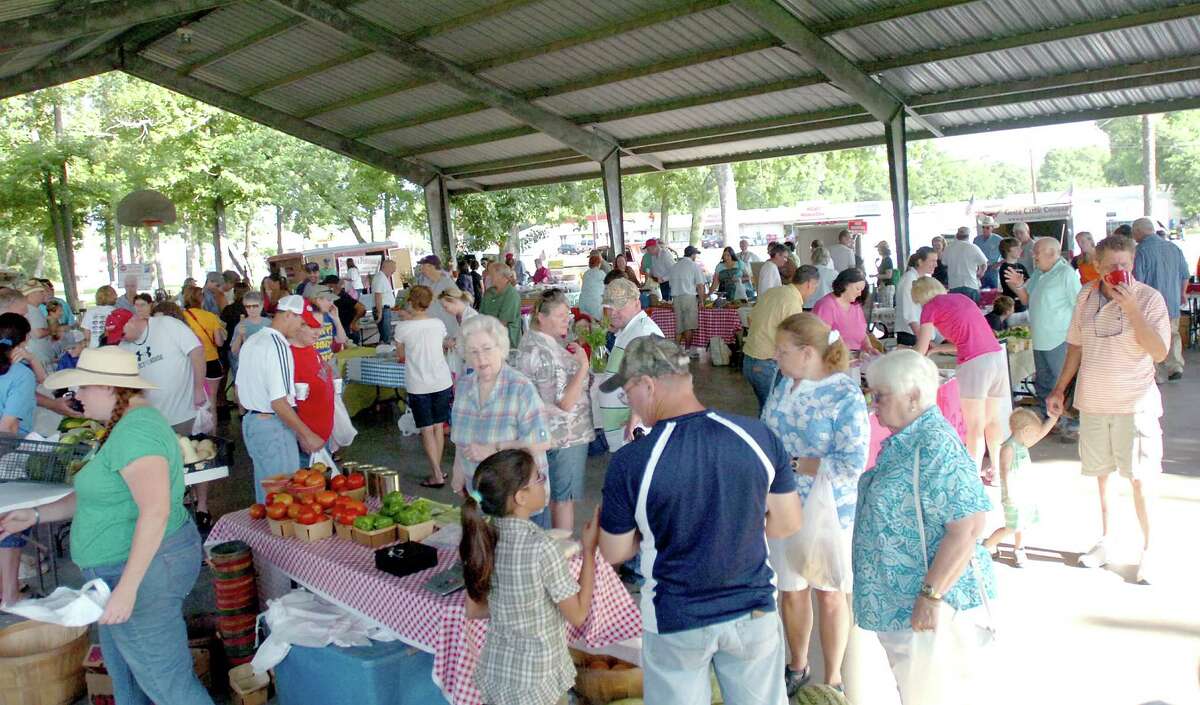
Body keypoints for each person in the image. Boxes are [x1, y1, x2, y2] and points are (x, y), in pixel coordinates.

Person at [0, 347, 215, 705]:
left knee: (169, 686)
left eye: (83, 387)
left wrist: (128, 589)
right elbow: (99, 494)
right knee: (127, 678)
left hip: (141, 573)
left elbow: (155, 511)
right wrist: (35, 514)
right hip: (118, 574)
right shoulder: (123, 426)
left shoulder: (137, 432)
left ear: (110, 388)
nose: (78, 395)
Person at [597, 336, 803, 705]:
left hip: (675, 618)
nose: (630, 404)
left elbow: (614, 551)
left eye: (629, 393)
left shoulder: (632, 461)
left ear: (648, 384)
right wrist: (733, 526)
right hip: (752, 609)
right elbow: (786, 523)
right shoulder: (755, 436)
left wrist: (652, 533)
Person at [856, 349, 997, 704]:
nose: (874, 405)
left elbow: (968, 527)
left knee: (931, 692)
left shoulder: (934, 445)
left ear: (913, 396)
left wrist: (931, 596)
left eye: (881, 396)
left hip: (924, 606)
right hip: (901, 603)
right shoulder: (909, 440)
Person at [1047, 235, 1169, 584]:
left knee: (1141, 479)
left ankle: (1150, 549)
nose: (1119, 271)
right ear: (1097, 267)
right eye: (1112, 265)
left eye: (1125, 264)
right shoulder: (1085, 296)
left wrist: (1132, 310)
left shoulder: (1149, 299)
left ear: (1133, 263)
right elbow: (1075, 347)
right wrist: (1060, 389)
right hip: (1094, 403)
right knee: (1102, 477)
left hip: (1135, 404)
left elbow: (1159, 352)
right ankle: (1107, 540)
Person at [761, 313, 869, 694]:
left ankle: (833, 677)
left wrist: (792, 463)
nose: (775, 357)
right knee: (791, 589)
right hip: (781, 504)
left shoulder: (844, 395)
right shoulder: (783, 385)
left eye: (782, 350)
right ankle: (798, 664)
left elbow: (852, 463)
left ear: (807, 353)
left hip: (828, 510)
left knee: (829, 591)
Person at [461, 450, 599, 705]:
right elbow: (578, 615)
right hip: (537, 679)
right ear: (520, 497)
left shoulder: (481, 539)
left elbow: (474, 610)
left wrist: (515, 605)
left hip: (497, 673)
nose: (544, 482)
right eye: (539, 478)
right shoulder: (542, 548)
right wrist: (589, 551)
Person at [450, 315, 551, 504]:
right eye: (473, 351)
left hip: (519, 499)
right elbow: (460, 439)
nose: (481, 358)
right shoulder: (463, 386)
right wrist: (458, 472)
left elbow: (542, 441)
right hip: (480, 494)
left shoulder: (520, 388)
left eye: (487, 349)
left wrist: (495, 449)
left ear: (501, 348)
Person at [912, 277, 1008, 476]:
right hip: (996, 356)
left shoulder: (930, 307)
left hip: (974, 364)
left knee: (975, 426)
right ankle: (997, 471)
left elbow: (921, 348)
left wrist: (907, 362)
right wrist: (938, 349)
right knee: (992, 420)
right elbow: (968, 339)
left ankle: (972, 476)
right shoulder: (962, 299)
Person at [235, 295, 325, 503]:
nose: (301, 328)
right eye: (301, 322)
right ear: (289, 315)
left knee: (268, 495)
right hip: (273, 427)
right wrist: (306, 434)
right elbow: (279, 402)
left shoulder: (253, 340)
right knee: (284, 501)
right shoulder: (278, 345)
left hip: (252, 423)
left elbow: (239, 390)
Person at [517, 290, 593, 531]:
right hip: (565, 435)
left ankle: (550, 544)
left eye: (567, 315)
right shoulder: (546, 352)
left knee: (551, 497)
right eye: (560, 315)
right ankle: (562, 549)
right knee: (563, 500)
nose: (567, 320)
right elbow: (565, 402)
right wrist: (583, 366)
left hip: (544, 432)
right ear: (541, 317)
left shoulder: (531, 341)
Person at [1004, 237, 1083, 432]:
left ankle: (1069, 422)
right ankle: (1049, 420)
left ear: (1052, 253)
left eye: (1037, 252)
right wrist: (1018, 285)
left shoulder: (1066, 274)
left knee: (1061, 383)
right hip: (1040, 339)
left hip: (1060, 339)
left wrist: (1078, 338)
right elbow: (1027, 299)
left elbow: (1080, 306)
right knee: (1044, 383)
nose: (1033, 256)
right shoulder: (1039, 273)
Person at [394, 286, 454, 488]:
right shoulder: (438, 324)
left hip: (418, 384)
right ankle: (438, 470)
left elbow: (400, 356)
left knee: (426, 429)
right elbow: (441, 346)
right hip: (442, 380)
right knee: (438, 427)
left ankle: (436, 473)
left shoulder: (402, 328)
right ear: (429, 303)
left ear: (410, 302)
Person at [983, 408, 1058, 567]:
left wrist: (1053, 419)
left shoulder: (1022, 444)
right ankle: (987, 545)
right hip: (1013, 496)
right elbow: (1005, 472)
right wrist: (1009, 493)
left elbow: (1040, 434)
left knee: (1022, 524)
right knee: (1011, 527)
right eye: (1032, 433)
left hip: (1024, 493)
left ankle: (1019, 548)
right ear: (1025, 431)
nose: (1034, 437)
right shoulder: (1009, 448)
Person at [595, 279, 664, 451]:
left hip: (634, 433)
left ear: (637, 303)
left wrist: (637, 415)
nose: (614, 312)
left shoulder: (643, 332)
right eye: (610, 307)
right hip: (624, 429)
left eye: (620, 306)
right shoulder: (631, 329)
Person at [0, 314, 40, 607]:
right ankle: (10, 594)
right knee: (10, 523)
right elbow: (10, 425)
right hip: (8, 453)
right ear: (24, 341)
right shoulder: (20, 374)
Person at [742, 266, 819, 412]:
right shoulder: (792, 302)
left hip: (749, 360)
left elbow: (750, 319)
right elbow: (793, 338)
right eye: (815, 287)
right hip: (765, 363)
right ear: (809, 284)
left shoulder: (773, 292)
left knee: (766, 408)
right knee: (773, 412)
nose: (814, 291)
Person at [1131, 216, 1188, 381]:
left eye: (1134, 233)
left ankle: (1156, 374)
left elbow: (1138, 280)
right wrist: (1182, 293)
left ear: (1138, 232)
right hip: (1172, 301)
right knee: (1173, 334)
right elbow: (1185, 275)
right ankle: (1175, 366)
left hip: (1150, 305)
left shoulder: (1140, 251)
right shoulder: (1174, 248)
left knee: (1152, 337)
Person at [288, 306, 335, 465]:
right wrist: (302, 435)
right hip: (307, 440)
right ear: (298, 325)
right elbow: (284, 403)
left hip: (321, 436)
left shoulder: (310, 348)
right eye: (312, 326)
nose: (318, 332)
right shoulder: (288, 356)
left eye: (320, 326)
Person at [181, 286, 227, 409]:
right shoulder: (211, 316)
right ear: (201, 298)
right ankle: (213, 422)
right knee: (212, 400)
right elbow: (219, 343)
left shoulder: (182, 318)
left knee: (193, 401)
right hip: (212, 361)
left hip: (191, 362)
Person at [811, 268, 873, 357]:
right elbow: (820, 341)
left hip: (855, 358)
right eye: (858, 289)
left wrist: (869, 348)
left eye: (861, 290)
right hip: (834, 359)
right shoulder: (826, 305)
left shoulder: (855, 305)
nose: (860, 294)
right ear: (845, 284)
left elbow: (862, 334)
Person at [667, 245, 707, 351]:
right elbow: (700, 286)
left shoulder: (675, 266)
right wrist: (702, 301)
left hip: (676, 299)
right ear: (693, 255)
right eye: (695, 255)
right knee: (688, 326)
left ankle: (676, 352)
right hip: (689, 298)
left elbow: (670, 284)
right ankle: (687, 350)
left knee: (679, 328)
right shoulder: (694, 266)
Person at [896, 248, 938, 349]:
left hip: (918, 333)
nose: (936, 265)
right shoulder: (910, 280)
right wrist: (923, 340)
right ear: (920, 262)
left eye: (936, 261)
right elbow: (910, 314)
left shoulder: (918, 279)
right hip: (911, 334)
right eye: (932, 261)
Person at [416, 255, 461, 341]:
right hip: (430, 331)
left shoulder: (447, 283)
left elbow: (460, 302)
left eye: (423, 265)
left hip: (447, 330)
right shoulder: (423, 282)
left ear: (431, 266)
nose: (421, 269)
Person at [480, 263, 523, 349]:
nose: (489, 277)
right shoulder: (489, 293)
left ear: (503, 277)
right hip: (489, 340)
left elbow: (502, 323)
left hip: (507, 343)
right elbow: (481, 316)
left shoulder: (512, 295)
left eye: (492, 274)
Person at [942, 227, 988, 303]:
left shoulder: (948, 248)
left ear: (957, 235)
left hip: (954, 285)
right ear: (968, 236)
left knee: (957, 309)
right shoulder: (973, 247)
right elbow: (984, 263)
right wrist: (980, 273)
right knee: (972, 309)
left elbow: (944, 263)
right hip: (970, 284)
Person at [230, 291, 268, 370]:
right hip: (246, 366)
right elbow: (234, 351)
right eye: (248, 306)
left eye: (255, 306)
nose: (251, 309)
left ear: (262, 305)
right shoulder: (240, 325)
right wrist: (240, 335)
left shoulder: (269, 324)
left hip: (265, 365)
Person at [21, 281, 54, 366]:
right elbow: (38, 333)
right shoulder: (31, 310)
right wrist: (52, 330)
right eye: (41, 292)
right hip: (39, 358)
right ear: (32, 294)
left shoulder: (31, 309)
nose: (44, 294)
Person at [997, 237, 1030, 315]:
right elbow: (1015, 288)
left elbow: (1030, 283)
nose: (1020, 250)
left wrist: (1022, 285)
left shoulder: (1021, 266)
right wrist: (1022, 286)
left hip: (1024, 307)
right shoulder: (1005, 268)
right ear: (1008, 250)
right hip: (1012, 309)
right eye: (1017, 248)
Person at [371, 259, 397, 345]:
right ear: (386, 267)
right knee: (386, 337)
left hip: (384, 309)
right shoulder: (380, 278)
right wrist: (379, 313)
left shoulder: (382, 277)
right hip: (383, 309)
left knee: (384, 336)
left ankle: (384, 348)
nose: (394, 270)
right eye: (393, 268)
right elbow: (378, 295)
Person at [974, 216, 1003, 290]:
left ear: (992, 228)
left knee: (994, 291)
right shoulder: (976, 240)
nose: (984, 229)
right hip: (981, 268)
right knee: (982, 291)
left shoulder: (999, 240)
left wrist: (998, 264)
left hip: (993, 269)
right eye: (983, 227)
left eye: (987, 227)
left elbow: (1007, 254)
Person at [578, 254, 607, 321]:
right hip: (597, 302)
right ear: (599, 264)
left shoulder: (586, 274)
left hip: (584, 302)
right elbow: (606, 287)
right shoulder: (602, 273)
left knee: (588, 321)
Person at [875, 240, 897, 306]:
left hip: (887, 286)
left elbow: (888, 275)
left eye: (879, 248)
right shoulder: (884, 260)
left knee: (888, 308)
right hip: (884, 286)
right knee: (884, 306)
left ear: (883, 249)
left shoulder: (887, 260)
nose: (878, 250)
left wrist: (877, 276)